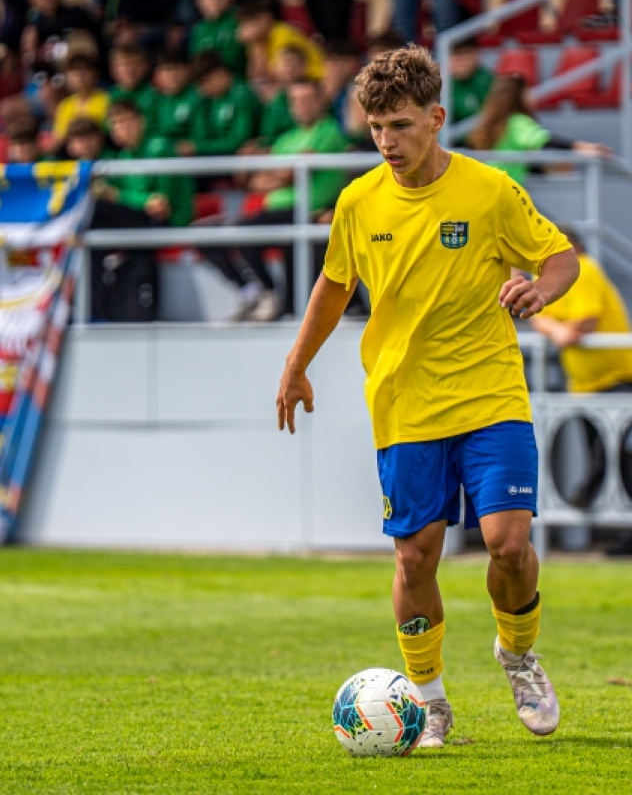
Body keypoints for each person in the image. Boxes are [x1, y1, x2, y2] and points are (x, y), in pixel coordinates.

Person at [276, 45, 579, 748]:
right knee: (414, 557)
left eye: (401, 125)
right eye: (376, 126)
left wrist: (541, 286)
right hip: (405, 404)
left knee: (508, 544)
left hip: (490, 395)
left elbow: (558, 256)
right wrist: (296, 363)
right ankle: (430, 700)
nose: (387, 141)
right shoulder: (358, 201)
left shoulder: (490, 189)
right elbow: (334, 285)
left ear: (437, 118)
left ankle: (518, 652)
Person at [199, 77, 347, 321]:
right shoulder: (286, 139)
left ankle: (268, 292)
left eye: (308, 99)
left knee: (240, 230)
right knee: (203, 232)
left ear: (322, 101)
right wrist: (280, 175)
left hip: (305, 211)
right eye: (295, 100)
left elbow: (285, 174)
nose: (301, 105)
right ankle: (254, 291)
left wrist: (277, 174)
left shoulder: (330, 131)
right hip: (277, 211)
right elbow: (255, 181)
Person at [531, 228, 632, 539]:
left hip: (616, 379)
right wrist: (557, 330)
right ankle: (594, 493)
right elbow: (535, 314)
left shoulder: (584, 269)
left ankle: (589, 487)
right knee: (608, 455)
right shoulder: (551, 282)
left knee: (617, 456)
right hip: (587, 385)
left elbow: (585, 322)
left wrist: (558, 329)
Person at [90, 99, 194, 322]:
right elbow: (138, 201)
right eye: (116, 124)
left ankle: (104, 309)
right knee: (96, 237)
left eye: (126, 122)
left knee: (97, 211)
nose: (121, 129)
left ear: (141, 122)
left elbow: (159, 206)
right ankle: (102, 308)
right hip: (140, 220)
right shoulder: (124, 156)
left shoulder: (159, 148)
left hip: (169, 221)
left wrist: (117, 195)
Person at [469, 74, 613, 186]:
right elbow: (545, 141)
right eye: (528, 92)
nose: (532, 96)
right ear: (517, 96)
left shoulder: (491, 124)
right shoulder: (517, 122)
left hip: (491, 186)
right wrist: (581, 147)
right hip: (506, 190)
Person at [177, 50, 260, 157]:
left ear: (220, 73)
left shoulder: (242, 96)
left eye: (205, 82)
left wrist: (198, 147)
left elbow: (240, 140)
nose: (203, 90)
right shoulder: (211, 99)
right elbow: (203, 134)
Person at [236, 0, 324, 86]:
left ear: (266, 18)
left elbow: (275, 75)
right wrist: (256, 44)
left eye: (250, 22)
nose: (247, 28)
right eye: (244, 23)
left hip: (315, 79)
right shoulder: (256, 40)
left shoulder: (282, 34)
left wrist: (257, 44)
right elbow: (255, 78)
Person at [51, 50, 109, 153]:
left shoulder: (106, 99)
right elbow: (59, 138)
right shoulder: (65, 105)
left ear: (94, 74)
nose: (80, 76)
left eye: (84, 71)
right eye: (74, 72)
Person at [150, 47, 202, 143]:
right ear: (158, 75)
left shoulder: (199, 96)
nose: (172, 75)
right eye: (166, 70)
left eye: (176, 68)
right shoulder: (155, 101)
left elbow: (202, 134)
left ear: (186, 70)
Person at [189, 0, 246, 80]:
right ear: (198, 1)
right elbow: (196, 62)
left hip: (240, 80)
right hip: (209, 83)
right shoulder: (199, 29)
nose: (216, 1)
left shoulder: (241, 17)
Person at [449, 37, 493, 124]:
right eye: (456, 54)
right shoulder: (440, 82)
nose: (460, 60)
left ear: (476, 55)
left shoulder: (487, 80)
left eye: (465, 54)